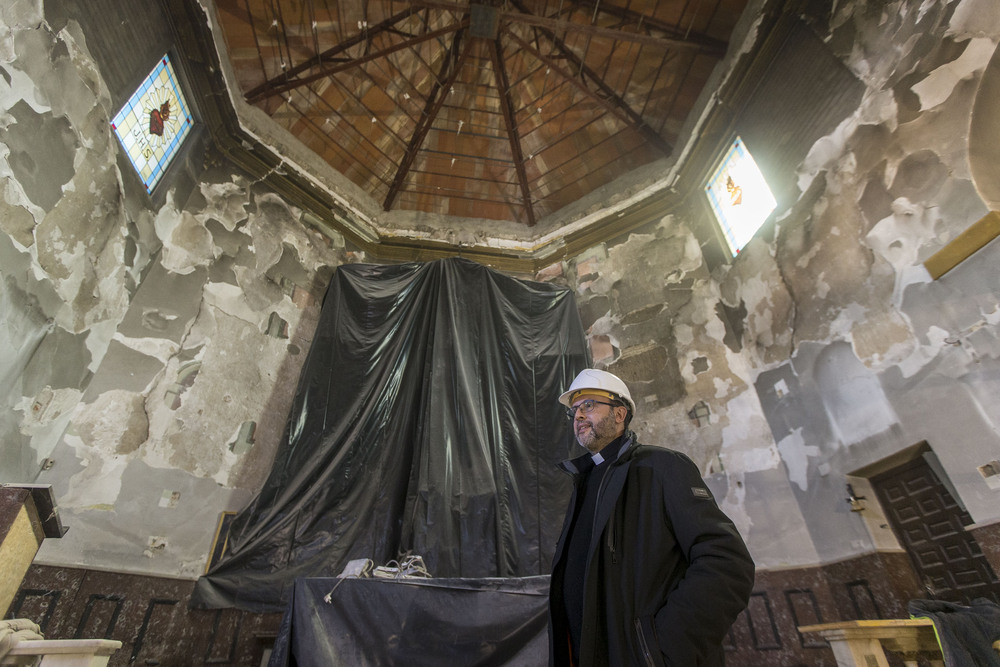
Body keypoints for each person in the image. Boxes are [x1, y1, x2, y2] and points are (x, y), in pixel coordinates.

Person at [548, 369, 755, 666]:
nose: (578, 416)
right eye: (575, 410)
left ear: (620, 414)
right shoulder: (583, 483)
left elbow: (726, 562)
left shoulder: (661, 467)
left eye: (589, 405)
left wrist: (661, 649)